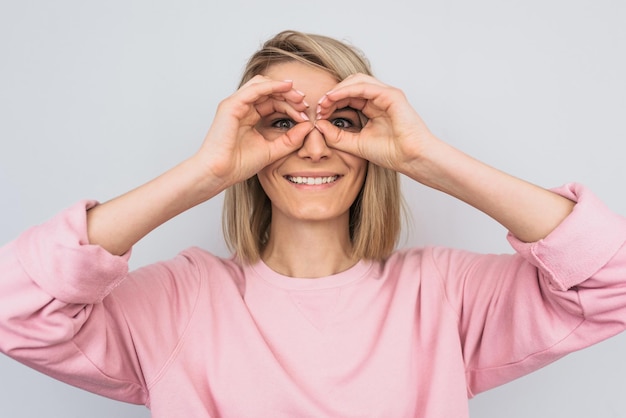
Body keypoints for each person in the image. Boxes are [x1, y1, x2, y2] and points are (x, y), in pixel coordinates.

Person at [1, 30, 626, 418]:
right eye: (281, 123)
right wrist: (204, 171)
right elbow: (15, 309)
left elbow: (611, 282)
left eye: (344, 123)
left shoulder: (443, 293)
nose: (313, 147)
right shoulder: (179, 299)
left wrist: (426, 157)